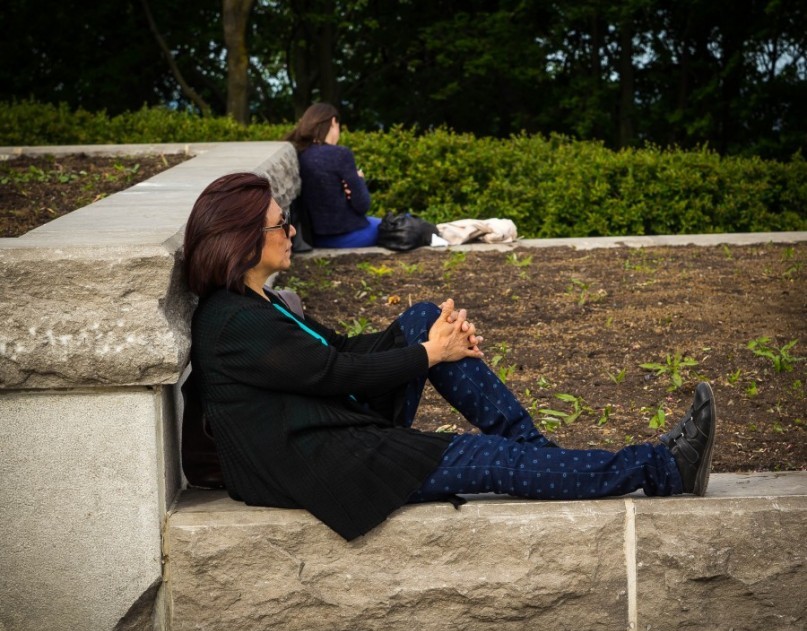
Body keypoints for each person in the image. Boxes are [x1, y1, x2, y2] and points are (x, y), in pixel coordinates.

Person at [183, 172, 717, 542]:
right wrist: (430, 354)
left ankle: (541, 454)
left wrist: (432, 341)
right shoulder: (233, 322)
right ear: (242, 238)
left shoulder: (258, 301)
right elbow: (335, 372)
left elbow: (338, 349)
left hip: (332, 431)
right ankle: (664, 467)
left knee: (423, 318)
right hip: (327, 467)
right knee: (491, 461)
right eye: (280, 225)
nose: (291, 232)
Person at [285, 102, 381, 248]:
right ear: (333, 122)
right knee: (405, 225)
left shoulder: (300, 152)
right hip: (345, 235)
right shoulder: (340, 154)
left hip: (313, 237)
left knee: (382, 222)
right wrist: (359, 180)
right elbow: (363, 205)